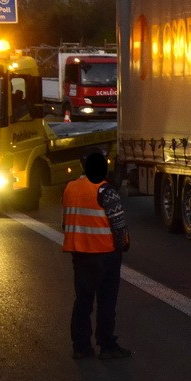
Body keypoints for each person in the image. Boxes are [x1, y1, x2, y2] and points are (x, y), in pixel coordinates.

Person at [63, 151, 131, 360]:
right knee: (106, 301)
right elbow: (118, 225)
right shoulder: (106, 190)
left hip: (80, 253)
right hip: (105, 254)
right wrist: (123, 245)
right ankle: (107, 344)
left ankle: (81, 347)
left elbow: (66, 220)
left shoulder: (70, 187)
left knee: (83, 301)